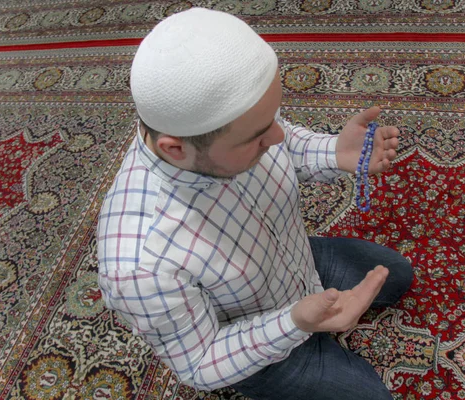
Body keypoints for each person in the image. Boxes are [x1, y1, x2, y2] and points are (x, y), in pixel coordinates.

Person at [97, 7, 413, 400]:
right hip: (256, 336)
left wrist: (334, 152)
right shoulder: (140, 265)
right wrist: (296, 322)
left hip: (293, 263)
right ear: (175, 149)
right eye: (258, 137)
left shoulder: (224, 124)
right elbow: (200, 361)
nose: (278, 137)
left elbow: (285, 141)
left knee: (399, 275)